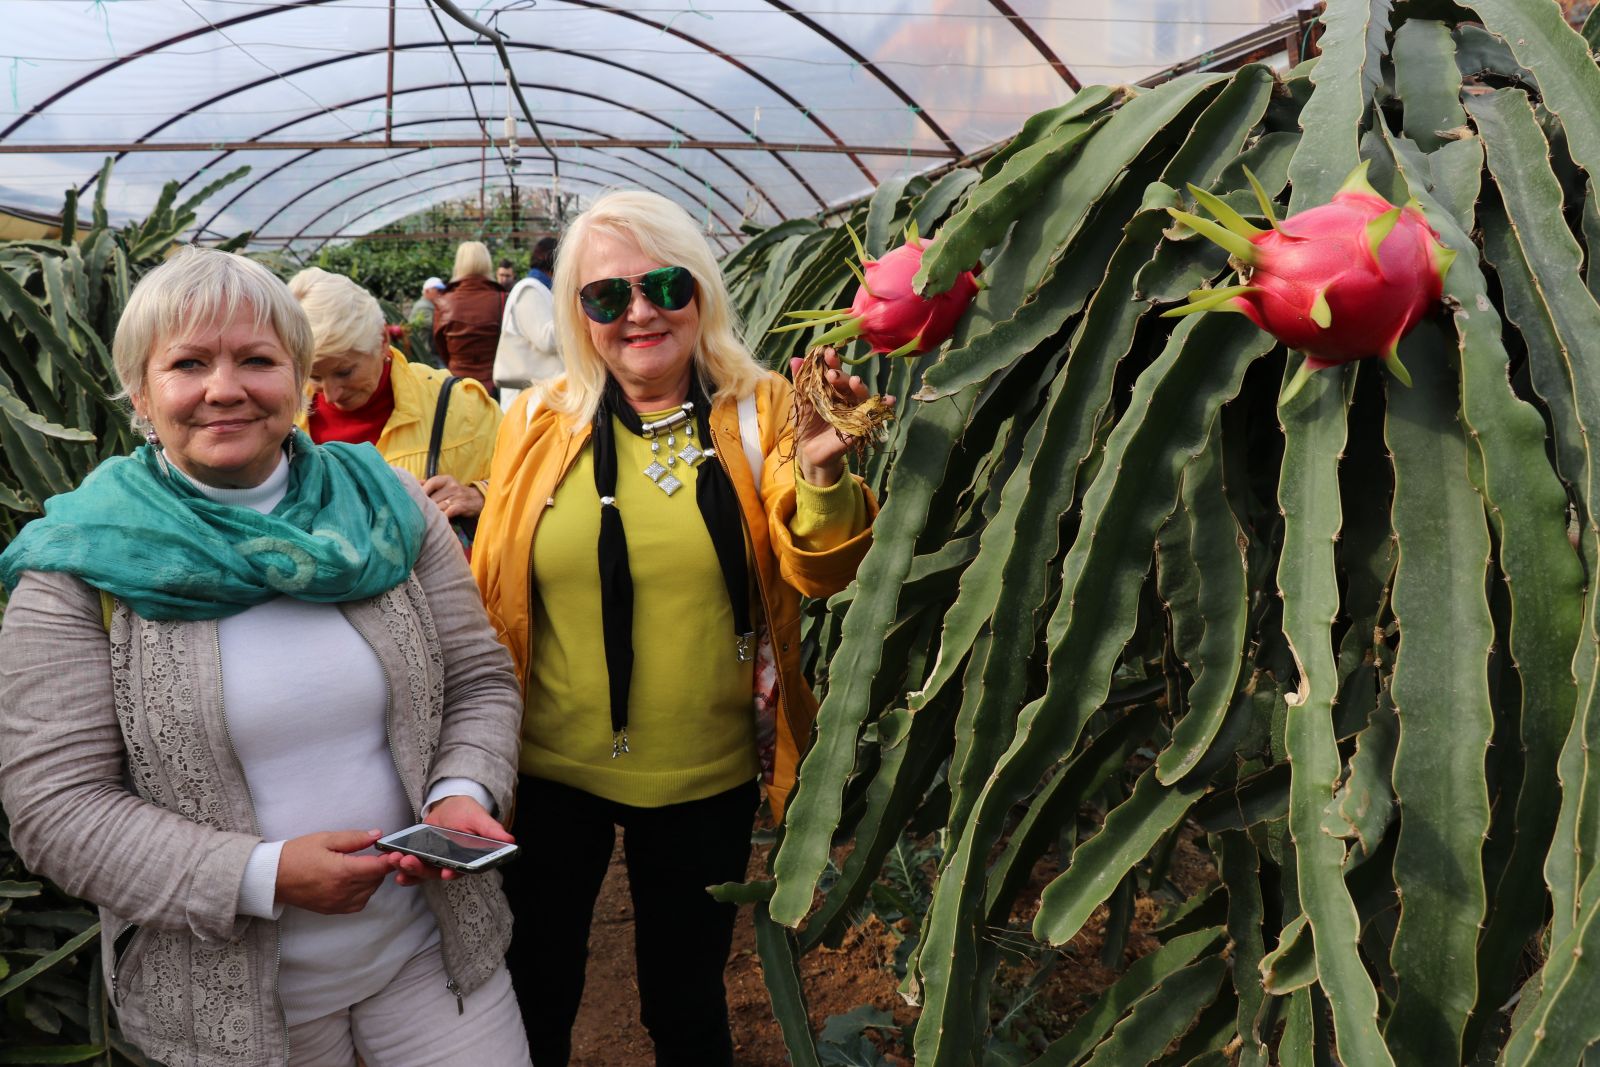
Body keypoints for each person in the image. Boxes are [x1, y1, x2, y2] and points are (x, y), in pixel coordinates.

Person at [0, 247, 531, 1067]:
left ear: (299, 377)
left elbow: (479, 678)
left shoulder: (386, 508)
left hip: (432, 956)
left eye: (257, 358)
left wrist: (461, 789)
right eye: (187, 363)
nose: (226, 387)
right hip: (233, 1008)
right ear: (141, 393)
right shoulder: (79, 565)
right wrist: (262, 874)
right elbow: (55, 807)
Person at [472, 190, 885, 1067]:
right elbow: (494, 583)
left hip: (706, 768)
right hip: (548, 768)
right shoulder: (541, 419)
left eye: (664, 283)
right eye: (606, 296)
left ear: (701, 289)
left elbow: (820, 566)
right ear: (580, 316)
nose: (641, 312)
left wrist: (818, 475)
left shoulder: (762, 409)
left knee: (686, 999)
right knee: (534, 986)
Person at [290, 267, 500, 524]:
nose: (331, 395)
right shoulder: (283, 414)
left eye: (344, 372)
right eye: (314, 376)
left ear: (382, 340)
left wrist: (478, 495)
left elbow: (528, 485)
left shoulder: (459, 404)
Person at [494, 236, 562, 410]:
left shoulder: (544, 290)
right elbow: (547, 339)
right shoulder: (529, 289)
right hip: (525, 401)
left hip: (537, 397)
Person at [434, 241, 506, 392]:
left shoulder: (443, 302)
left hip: (456, 385)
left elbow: (440, 347)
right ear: (487, 263)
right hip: (494, 384)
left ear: (458, 264)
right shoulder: (502, 299)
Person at [408, 276, 447, 369]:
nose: (441, 293)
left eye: (442, 291)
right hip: (426, 355)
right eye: (438, 290)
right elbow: (436, 327)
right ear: (427, 291)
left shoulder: (430, 305)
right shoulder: (424, 306)